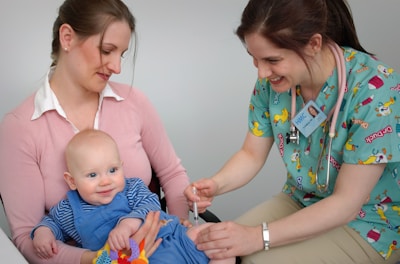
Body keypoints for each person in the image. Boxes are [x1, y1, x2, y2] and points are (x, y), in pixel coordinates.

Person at [185, 0, 400, 263]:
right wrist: (216, 184)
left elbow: (346, 203)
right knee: (211, 249)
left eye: (272, 60)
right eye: (255, 60)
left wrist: (256, 237)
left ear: (313, 44)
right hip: (302, 200)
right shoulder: (274, 85)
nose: (263, 73)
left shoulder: (375, 90)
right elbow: (251, 154)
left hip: (367, 221)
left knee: (251, 260)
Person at [0, 0, 190, 263]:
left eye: (121, 55)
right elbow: (25, 237)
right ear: (67, 38)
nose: (117, 67)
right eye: (106, 50)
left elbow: (172, 174)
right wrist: (103, 259)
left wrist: (179, 233)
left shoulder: (135, 102)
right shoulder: (20, 128)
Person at [31, 129, 234, 264]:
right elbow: (51, 223)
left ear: (122, 167)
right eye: (92, 175)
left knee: (219, 238)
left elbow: (151, 204)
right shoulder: (69, 209)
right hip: (138, 259)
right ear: (72, 181)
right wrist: (43, 233)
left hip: (175, 237)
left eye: (112, 170)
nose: (105, 181)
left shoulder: (132, 187)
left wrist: (128, 223)